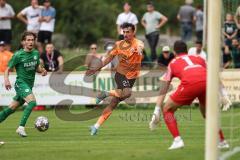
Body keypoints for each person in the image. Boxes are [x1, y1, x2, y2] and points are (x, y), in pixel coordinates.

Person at [149, 40, 229, 150]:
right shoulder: (199, 58)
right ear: (187, 50)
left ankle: (177, 140)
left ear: (174, 52)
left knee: (167, 109)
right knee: (207, 114)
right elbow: (213, 73)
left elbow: (165, 86)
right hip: (207, 82)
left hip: (191, 83)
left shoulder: (172, 63)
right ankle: (222, 141)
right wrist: (224, 94)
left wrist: (157, 109)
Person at [86, 23, 144, 136]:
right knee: (127, 93)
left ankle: (96, 126)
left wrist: (139, 50)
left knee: (114, 102)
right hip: (121, 74)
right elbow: (109, 58)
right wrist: (97, 68)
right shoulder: (118, 44)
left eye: (128, 32)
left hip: (132, 76)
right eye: (124, 32)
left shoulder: (138, 43)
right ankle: (105, 93)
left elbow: (140, 48)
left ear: (133, 32)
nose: (125, 34)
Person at [0, 31, 47, 137]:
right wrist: (6, 80)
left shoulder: (35, 53)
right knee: (32, 102)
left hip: (29, 85)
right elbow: (8, 69)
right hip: (20, 84)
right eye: (28, 40)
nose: (30, 42)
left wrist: (42, 71)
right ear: (23, 42)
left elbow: (36, 68)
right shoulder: (18, 55)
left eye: (32, 40)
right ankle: (21, 128)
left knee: (10, 109)